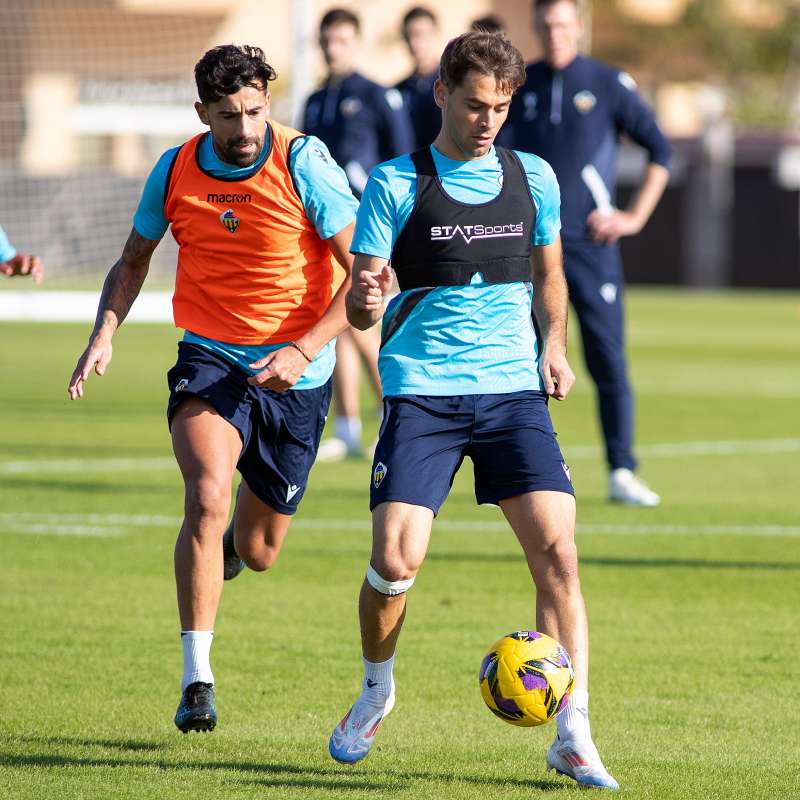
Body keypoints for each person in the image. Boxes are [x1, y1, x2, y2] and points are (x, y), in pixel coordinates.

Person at [328, 30, 619, 791]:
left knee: (558, 552)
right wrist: (364, 298)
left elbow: (548, 274)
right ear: (442, 95)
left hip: (511, 390)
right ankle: (374, 690)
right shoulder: (396, 182)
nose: (487, 119)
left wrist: (554, 347)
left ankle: (574, 730)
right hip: (423, 390)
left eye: (500, 105)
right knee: (395, 560)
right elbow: (362, 306)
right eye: (473, 103)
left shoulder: (536, 178)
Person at [67, 45, 357, 733]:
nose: (246, 127)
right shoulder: (174, 169)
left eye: (256, 111)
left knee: (259, 551)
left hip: (299, 373)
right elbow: (133, 259)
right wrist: (104, 331)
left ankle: (229, 549)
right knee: (206, 493)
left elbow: (370, 276)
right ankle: (198, 678)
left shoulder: (304, 162)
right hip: (211, 358)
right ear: (202, 113)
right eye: (229, 116)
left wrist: (304, 348)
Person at [506, 0, 672, 506]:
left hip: (589, 245)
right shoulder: (519, 84)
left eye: (562, 23)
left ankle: (622, 469)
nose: (554, 32)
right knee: (522, 358)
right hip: (528, 245)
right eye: (545, 25)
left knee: (607, 358)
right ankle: (518, 469)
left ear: (578, 26)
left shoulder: (606, 82)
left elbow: (661, 152)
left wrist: (633, 217)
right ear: (535, 28)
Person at [303, 8, 416, 461]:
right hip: (322, 229)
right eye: (328, 41)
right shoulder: (314, 100)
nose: (335, 49)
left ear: (356, 42)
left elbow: (404, 160)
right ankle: (348, 426)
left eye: (343, 41)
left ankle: (396, 418)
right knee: (337, 327)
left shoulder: (376, 95)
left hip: (367, 227)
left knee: (360, 324)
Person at [395, 7, 441, 150]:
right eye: (409, 35)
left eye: (420, 34)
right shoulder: (398, 90)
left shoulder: (453, 84)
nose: (414, 42)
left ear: (435, 34)